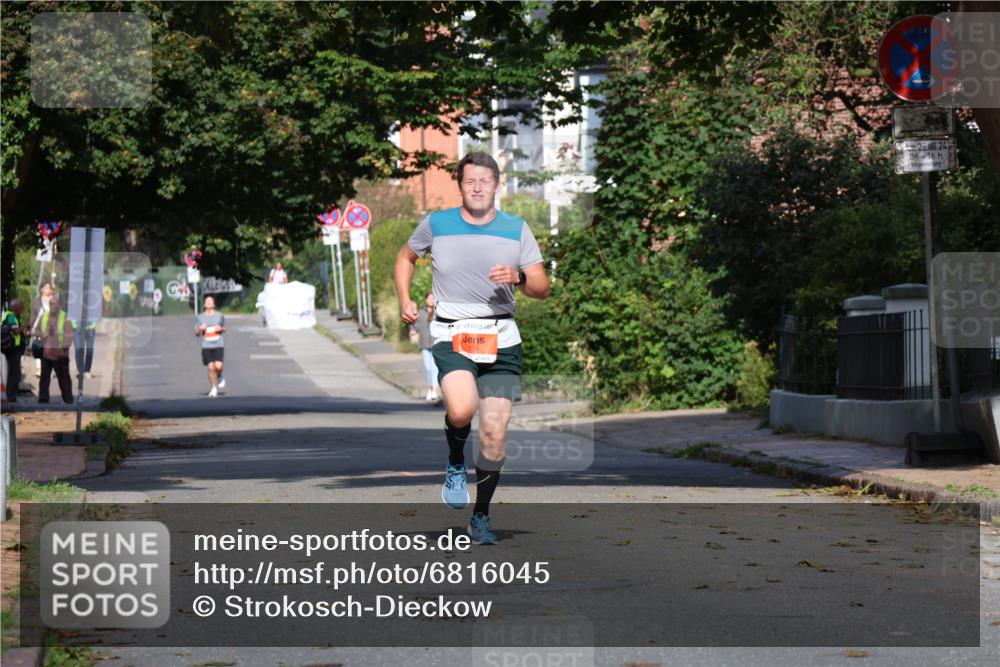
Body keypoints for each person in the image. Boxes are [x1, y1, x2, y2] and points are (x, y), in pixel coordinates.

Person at [394, 152, 550, 545]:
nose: (477, 187)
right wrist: (404, 299)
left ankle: (480, 515)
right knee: (461, 409)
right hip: (452, 332)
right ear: (460, 186)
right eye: (469, 181)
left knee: (495, 435)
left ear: (497, 185)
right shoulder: (438, 223)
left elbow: (541, 288)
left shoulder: (516, 228)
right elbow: (405, 257)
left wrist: (517, 277)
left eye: (485, 180)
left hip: (502, 339)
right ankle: (454, 460)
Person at [38, 295, 74, 404]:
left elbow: (69, 334)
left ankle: (68, 399)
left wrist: (64, 347)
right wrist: (41, 334)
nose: (53, 306)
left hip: (60, 353)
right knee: (44, 377)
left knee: (63, 378)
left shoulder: (64, 317)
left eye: (55, 304)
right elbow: (36, 330)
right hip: (47, 352)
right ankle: (43, 399)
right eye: (51, 304)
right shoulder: (44, 316)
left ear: (59, 305)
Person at [409, 292, 442, 403]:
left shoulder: (439, 312)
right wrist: (413, 330)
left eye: (433, 298)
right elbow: (415, 325)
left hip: (436, 344)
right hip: (424, 344)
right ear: (426, 299)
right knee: (428, 368)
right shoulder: (421, 312)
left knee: (435, 368)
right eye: (429, 298)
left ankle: (435, 391)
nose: (431, 300)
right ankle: (430, 388)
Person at [195, 295, 227, 398]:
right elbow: (196, 333)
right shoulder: (200, 317)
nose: (208, 303)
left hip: (218, 344)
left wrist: (220, 328)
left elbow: (225, 328)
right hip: (206, 345)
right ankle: (214, 387)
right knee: (210, 366)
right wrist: (200, 328)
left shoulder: (219, 315)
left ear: (213, 304)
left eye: (210, 301)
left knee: (218, 366)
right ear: (204, 305)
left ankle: (219, 375)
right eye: (207, 301)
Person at [2, 299, 26, 402]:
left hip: (13, 349)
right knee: (15, 374)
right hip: (13, 350)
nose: (23, 307)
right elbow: (16, 331)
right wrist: (25, 326)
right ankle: (11, 398)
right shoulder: (11, 316)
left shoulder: (11, 316)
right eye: (22, 305)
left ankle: (10, 397)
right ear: (16, 308)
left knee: (13, 373)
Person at [30, 282, 54, 378]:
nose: (49, 289)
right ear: (42, 290)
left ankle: (49, 369)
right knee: (39, 348)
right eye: (47, 288)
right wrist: (33, 329)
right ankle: (39, 369)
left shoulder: (54, 301)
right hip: (40, 330)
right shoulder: (36, 302)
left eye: (50, 288)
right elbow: (33, 317)